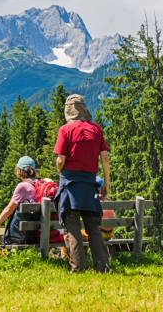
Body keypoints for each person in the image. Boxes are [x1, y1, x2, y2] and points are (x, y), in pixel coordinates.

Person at [54, 94, 111, 273]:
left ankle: (77, 267)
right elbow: (105, 158)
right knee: (93, 226)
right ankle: (103, 267)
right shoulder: (96, 129)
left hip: (71, 185)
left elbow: (60, 159)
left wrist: (59, 170)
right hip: (90, 184)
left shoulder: (65, 130)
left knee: (72, 226)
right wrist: (106, 184)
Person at [0, 156, 40, 252]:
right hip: (34, 234)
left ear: (19, 171)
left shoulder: (22, 186)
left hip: (20, 236)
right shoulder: (38, 184)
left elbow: (8, 209)